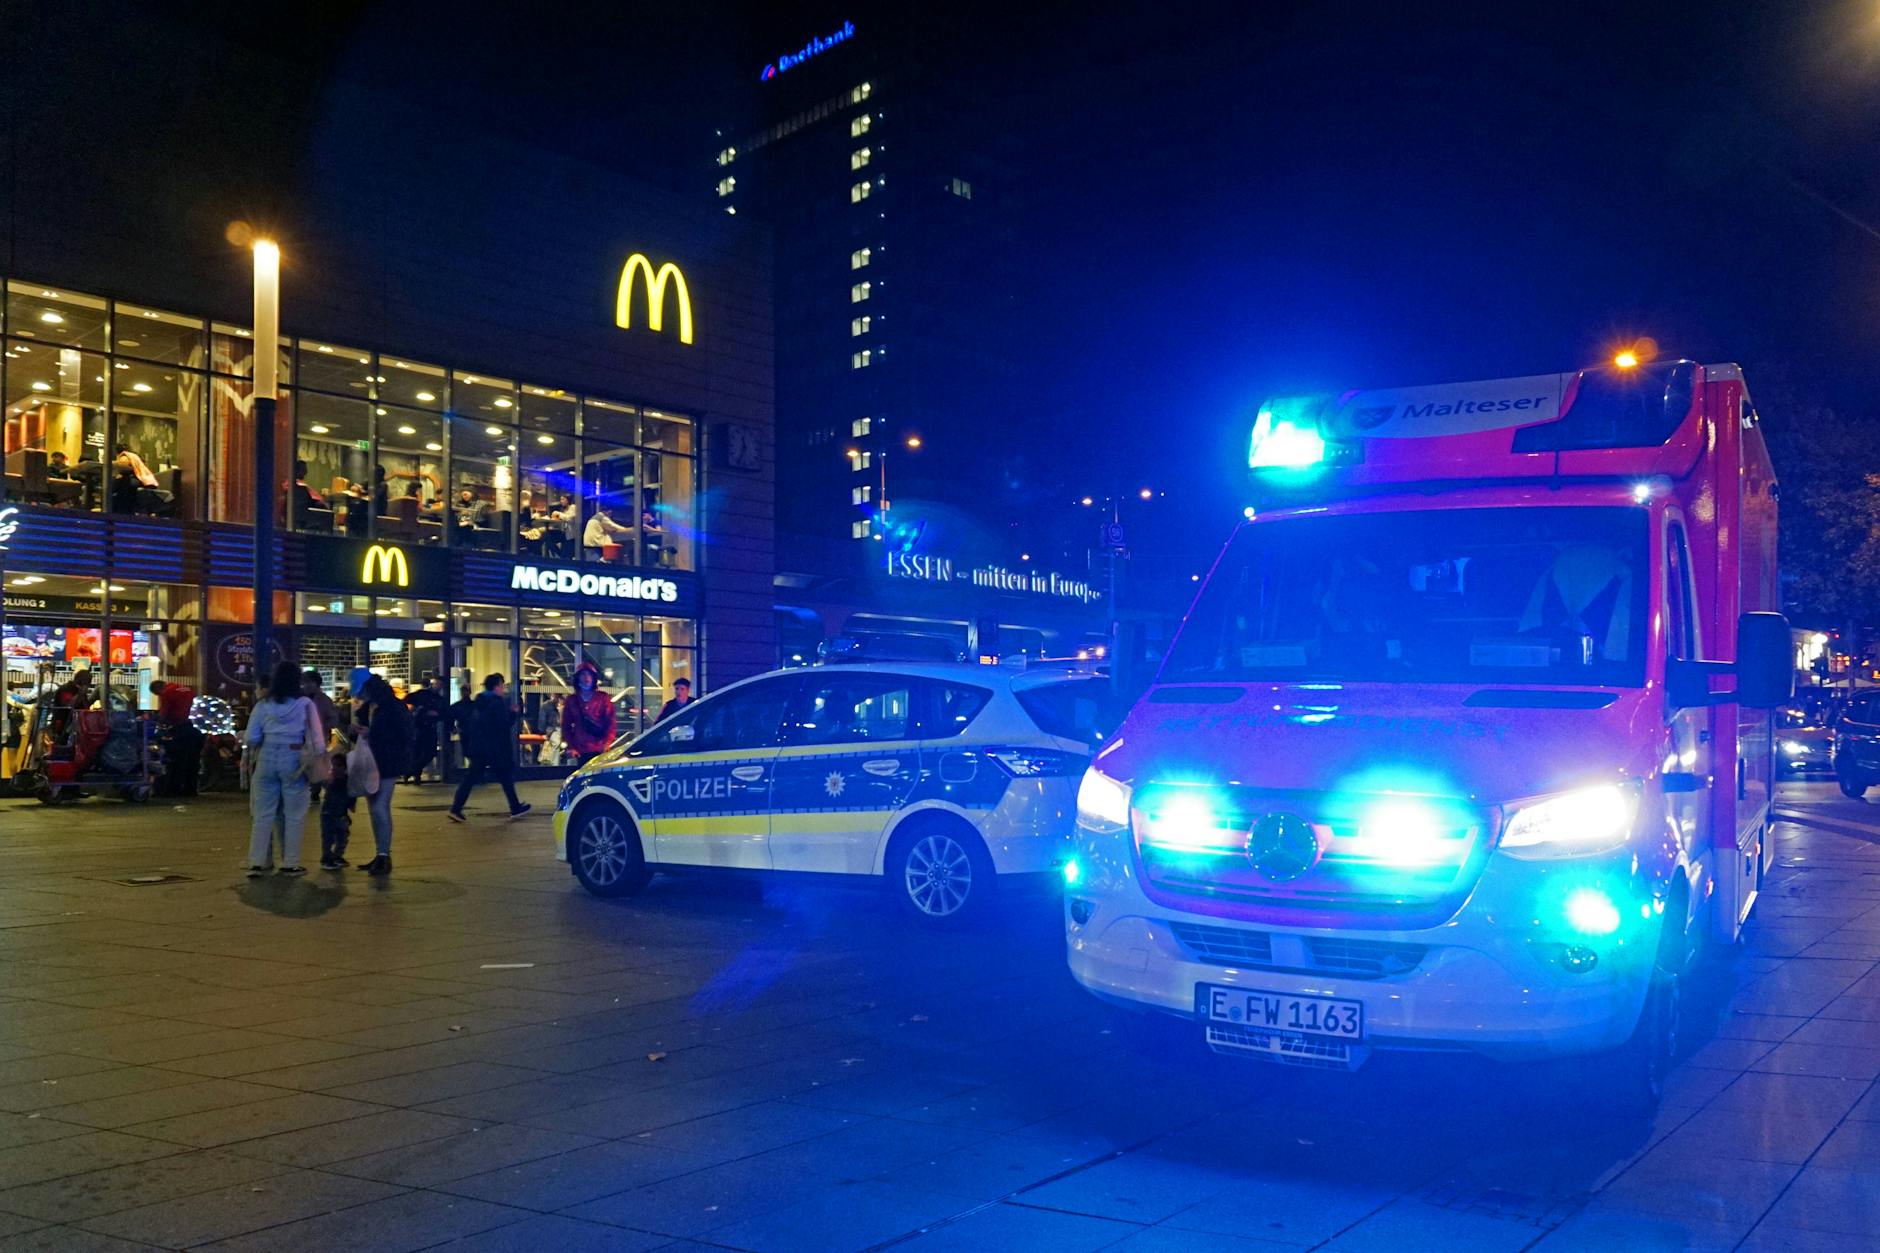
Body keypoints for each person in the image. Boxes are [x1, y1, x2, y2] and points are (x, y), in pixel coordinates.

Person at [242, 660, 322, 878]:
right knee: (294, 814)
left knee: (263, 814)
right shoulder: (305, 704)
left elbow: (252, 737)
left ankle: (257, 862)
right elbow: (318, 740)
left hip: (266, 758)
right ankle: (290, 863)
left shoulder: (263, 705)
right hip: (295, 760)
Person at [448, 673, 532, 822]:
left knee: (471, 778)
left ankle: (456, 808)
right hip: (494, 748)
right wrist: (513, 713)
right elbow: (502, 724)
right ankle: (515, 807)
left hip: (480, 747)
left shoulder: (479, 702)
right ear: (497, 686)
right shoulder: (495, 702)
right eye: (501, 685)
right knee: (505, 777)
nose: (503, 689)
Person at [352, 674, 411, 876]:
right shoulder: (374, 708)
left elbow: (400, 734)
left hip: (386, 761)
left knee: (379, 807)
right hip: (374, 760)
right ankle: (380, 853)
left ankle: (384, 855)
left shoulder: (390, 709)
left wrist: (371, 733)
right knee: (375, 808)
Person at [150, 679, 201, 797]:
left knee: (176, 760)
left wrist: (157, 725)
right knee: (193, 760)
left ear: (158, 689)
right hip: (196, 728)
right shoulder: (186, 688)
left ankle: (173, 790)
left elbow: (163, 715)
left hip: (181, 729)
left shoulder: (166, 693)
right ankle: (191, 790)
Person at [561, 661, 617, 765]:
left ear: (594, 678)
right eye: (583, 674)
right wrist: (571, 747)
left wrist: (607, 743)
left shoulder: (603, 698)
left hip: (599, 748)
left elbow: (611, 723)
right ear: (578, 678)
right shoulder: (572, 700)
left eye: (589, 674)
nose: (586, 677)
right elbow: (566, 726)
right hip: (580, 749)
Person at [404, 671, 447, 784]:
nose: (438, 686)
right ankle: (415, 774)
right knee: (420, 751)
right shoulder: (424, 694)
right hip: (420, 726)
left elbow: (443, 714)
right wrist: (421, 709)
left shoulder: (439, 699)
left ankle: (413, 771)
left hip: (429, 727)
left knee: (429, 752)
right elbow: (407, 699)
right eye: (437, 684)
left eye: (440, 685)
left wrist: (436, 715)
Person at [318, 749, 353, 870]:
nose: (335, 768)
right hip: (328, 814)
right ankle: (326, 857)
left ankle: (337, 856)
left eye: (339, 765)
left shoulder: (347, 781)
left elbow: (350, 797)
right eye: (333, 766)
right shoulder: (331, 781)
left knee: (342, 837)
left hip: (341, 814)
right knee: (328, 837)